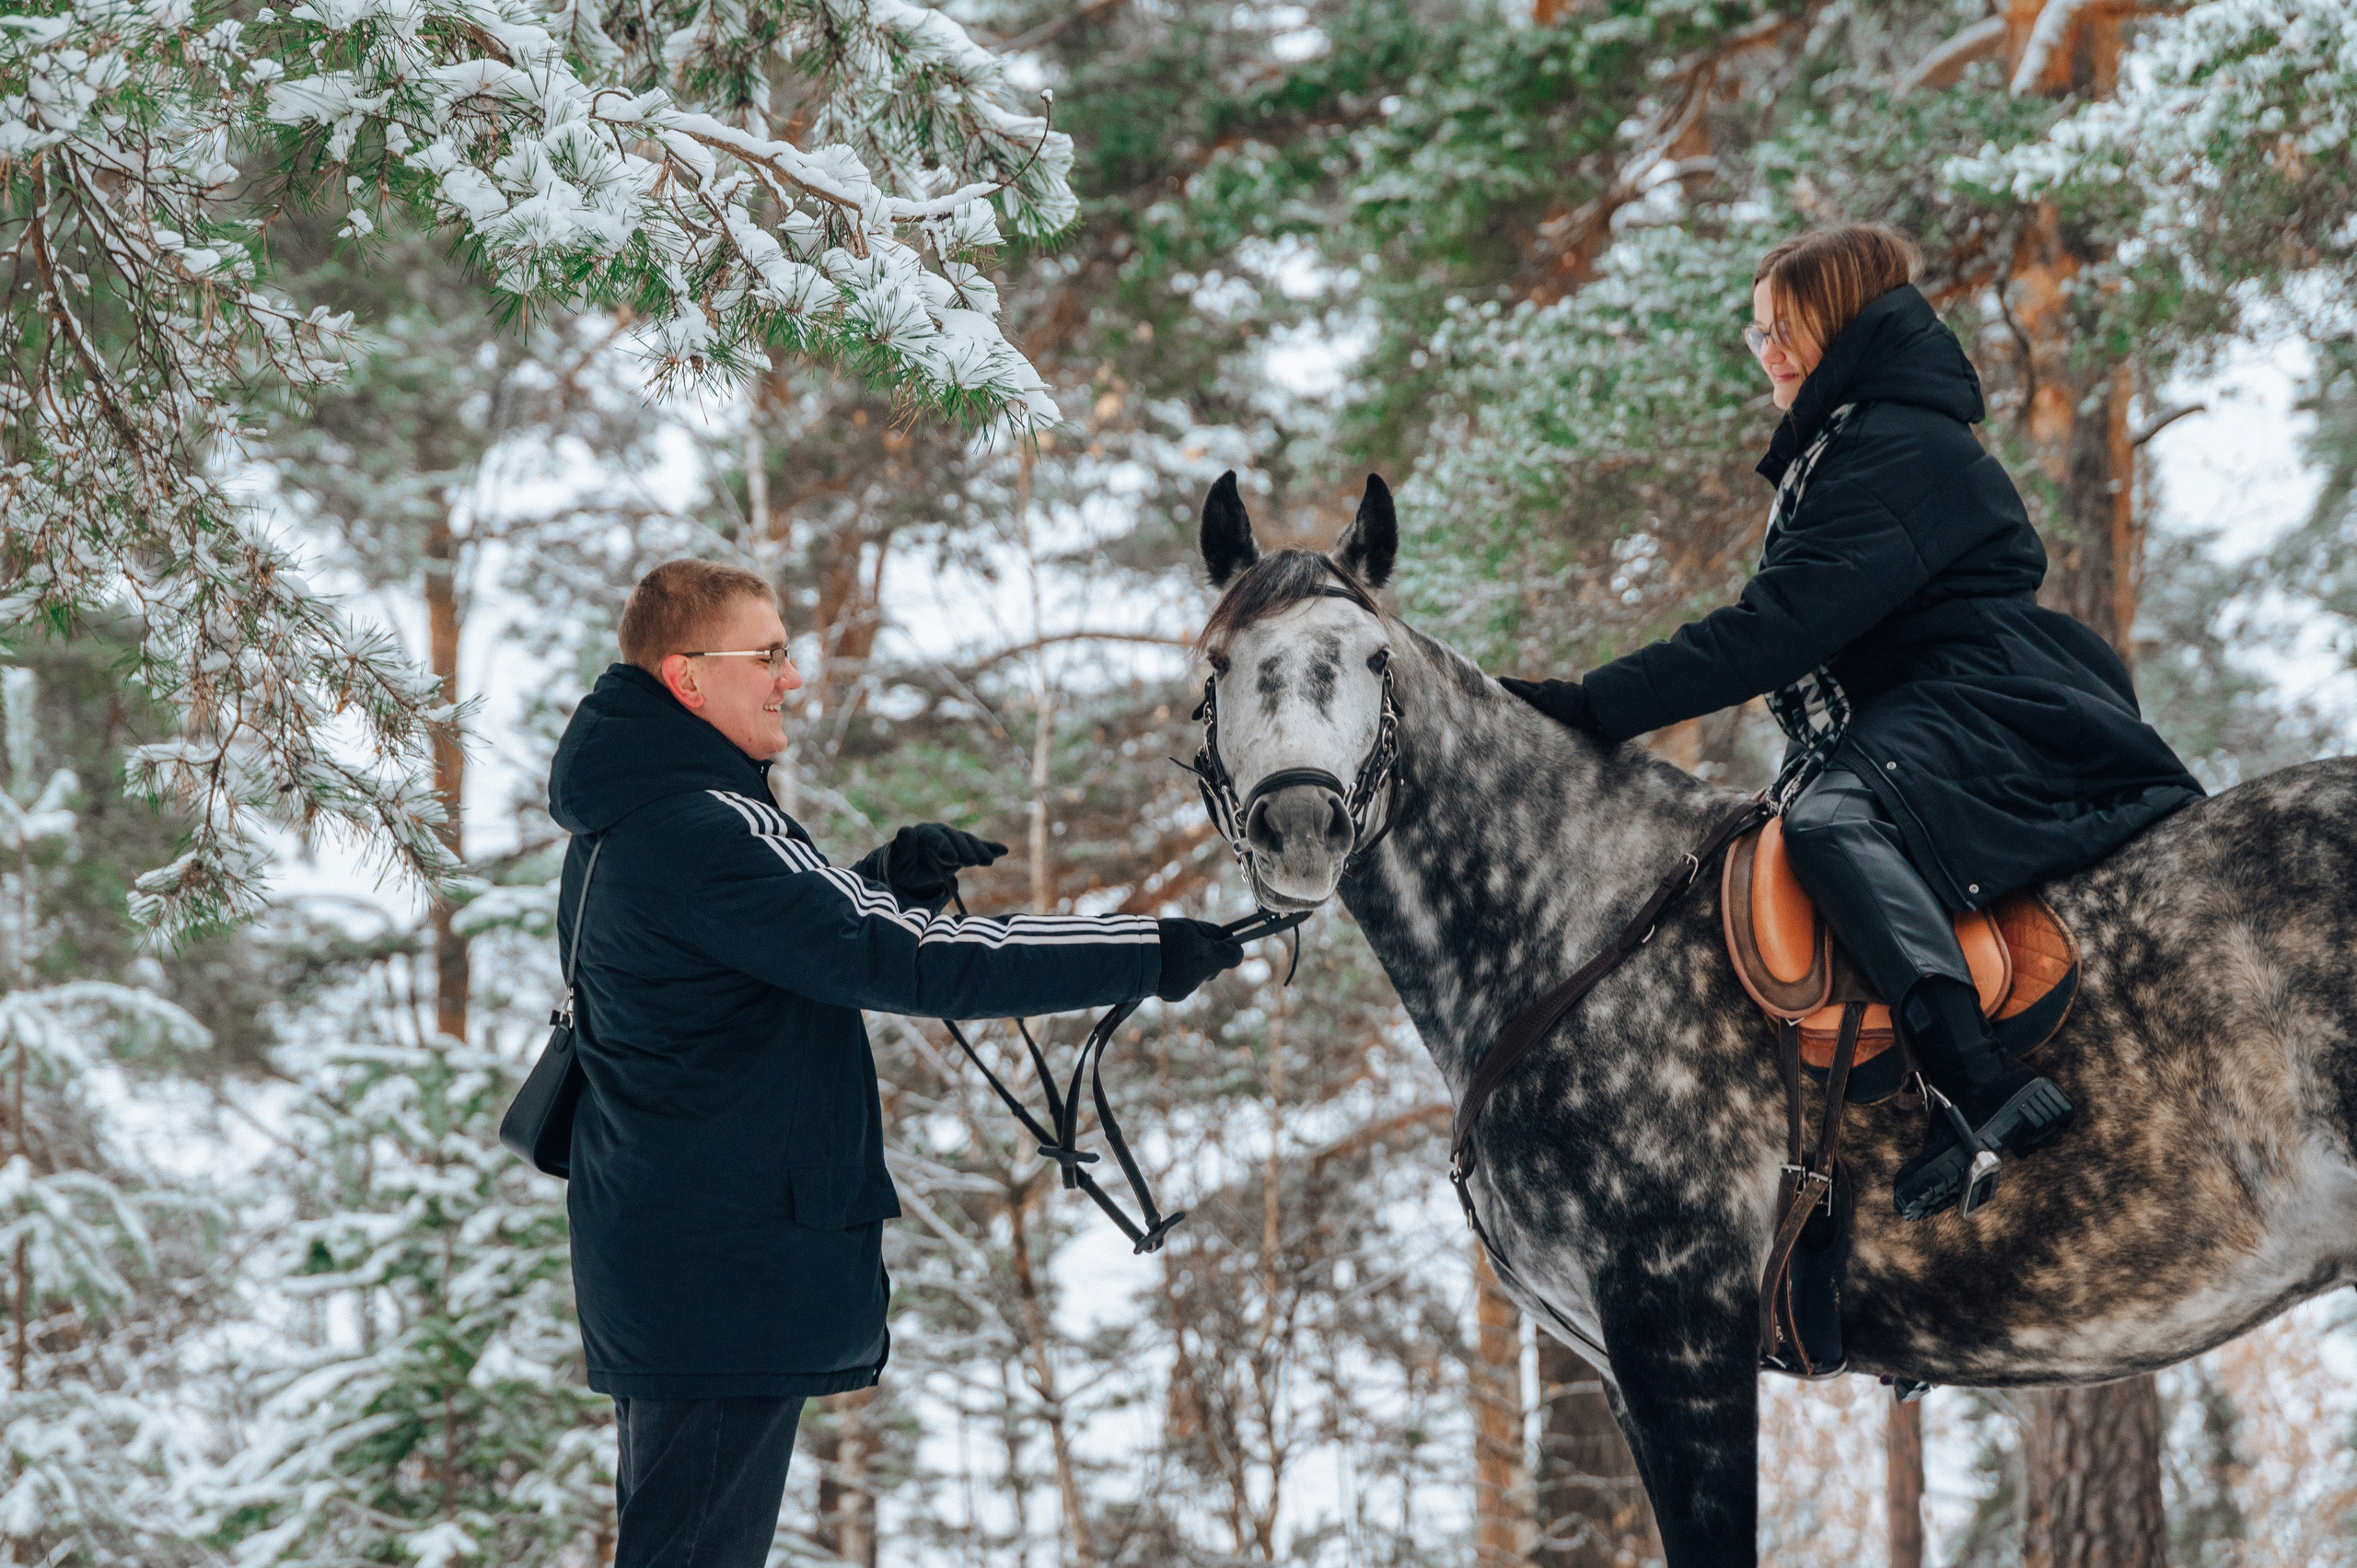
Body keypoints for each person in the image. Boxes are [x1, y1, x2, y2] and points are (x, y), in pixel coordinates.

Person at [544, 558, 1248, 1566]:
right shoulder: (703, 825)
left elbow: (770, 958)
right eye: (770, 654)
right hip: (717, 1270)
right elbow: (911, 961)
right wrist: (1146, 947)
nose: (793, 677)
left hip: (682, 1260)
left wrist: (884, 881)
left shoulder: (647, 814)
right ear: (686, 676)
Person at [1501, 224, 2202, 1222]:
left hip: (1988, 700)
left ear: (1837, 325)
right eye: (1755, 336)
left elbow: (1772, 634)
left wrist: (1587, 706)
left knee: (1832, 822)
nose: (1768, 355)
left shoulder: (1894, 444)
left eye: (1782, 330)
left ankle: (1979, 1077)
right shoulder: (1850, 441)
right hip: (1922, 703)